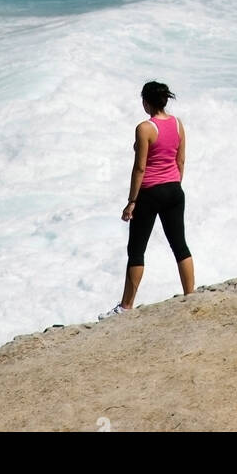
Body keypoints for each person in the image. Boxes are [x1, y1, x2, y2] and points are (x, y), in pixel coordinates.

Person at [101, 81, 194, 317]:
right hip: (174, 190)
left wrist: (132, 201)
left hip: (150, 193)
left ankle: (126, 307)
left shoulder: (144, 128)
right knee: (179, 245)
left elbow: (140, 169)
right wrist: (173, 183)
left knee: (136, 249)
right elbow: (180, 161)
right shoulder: (177, 124)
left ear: (146, 102)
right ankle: (190, 296)